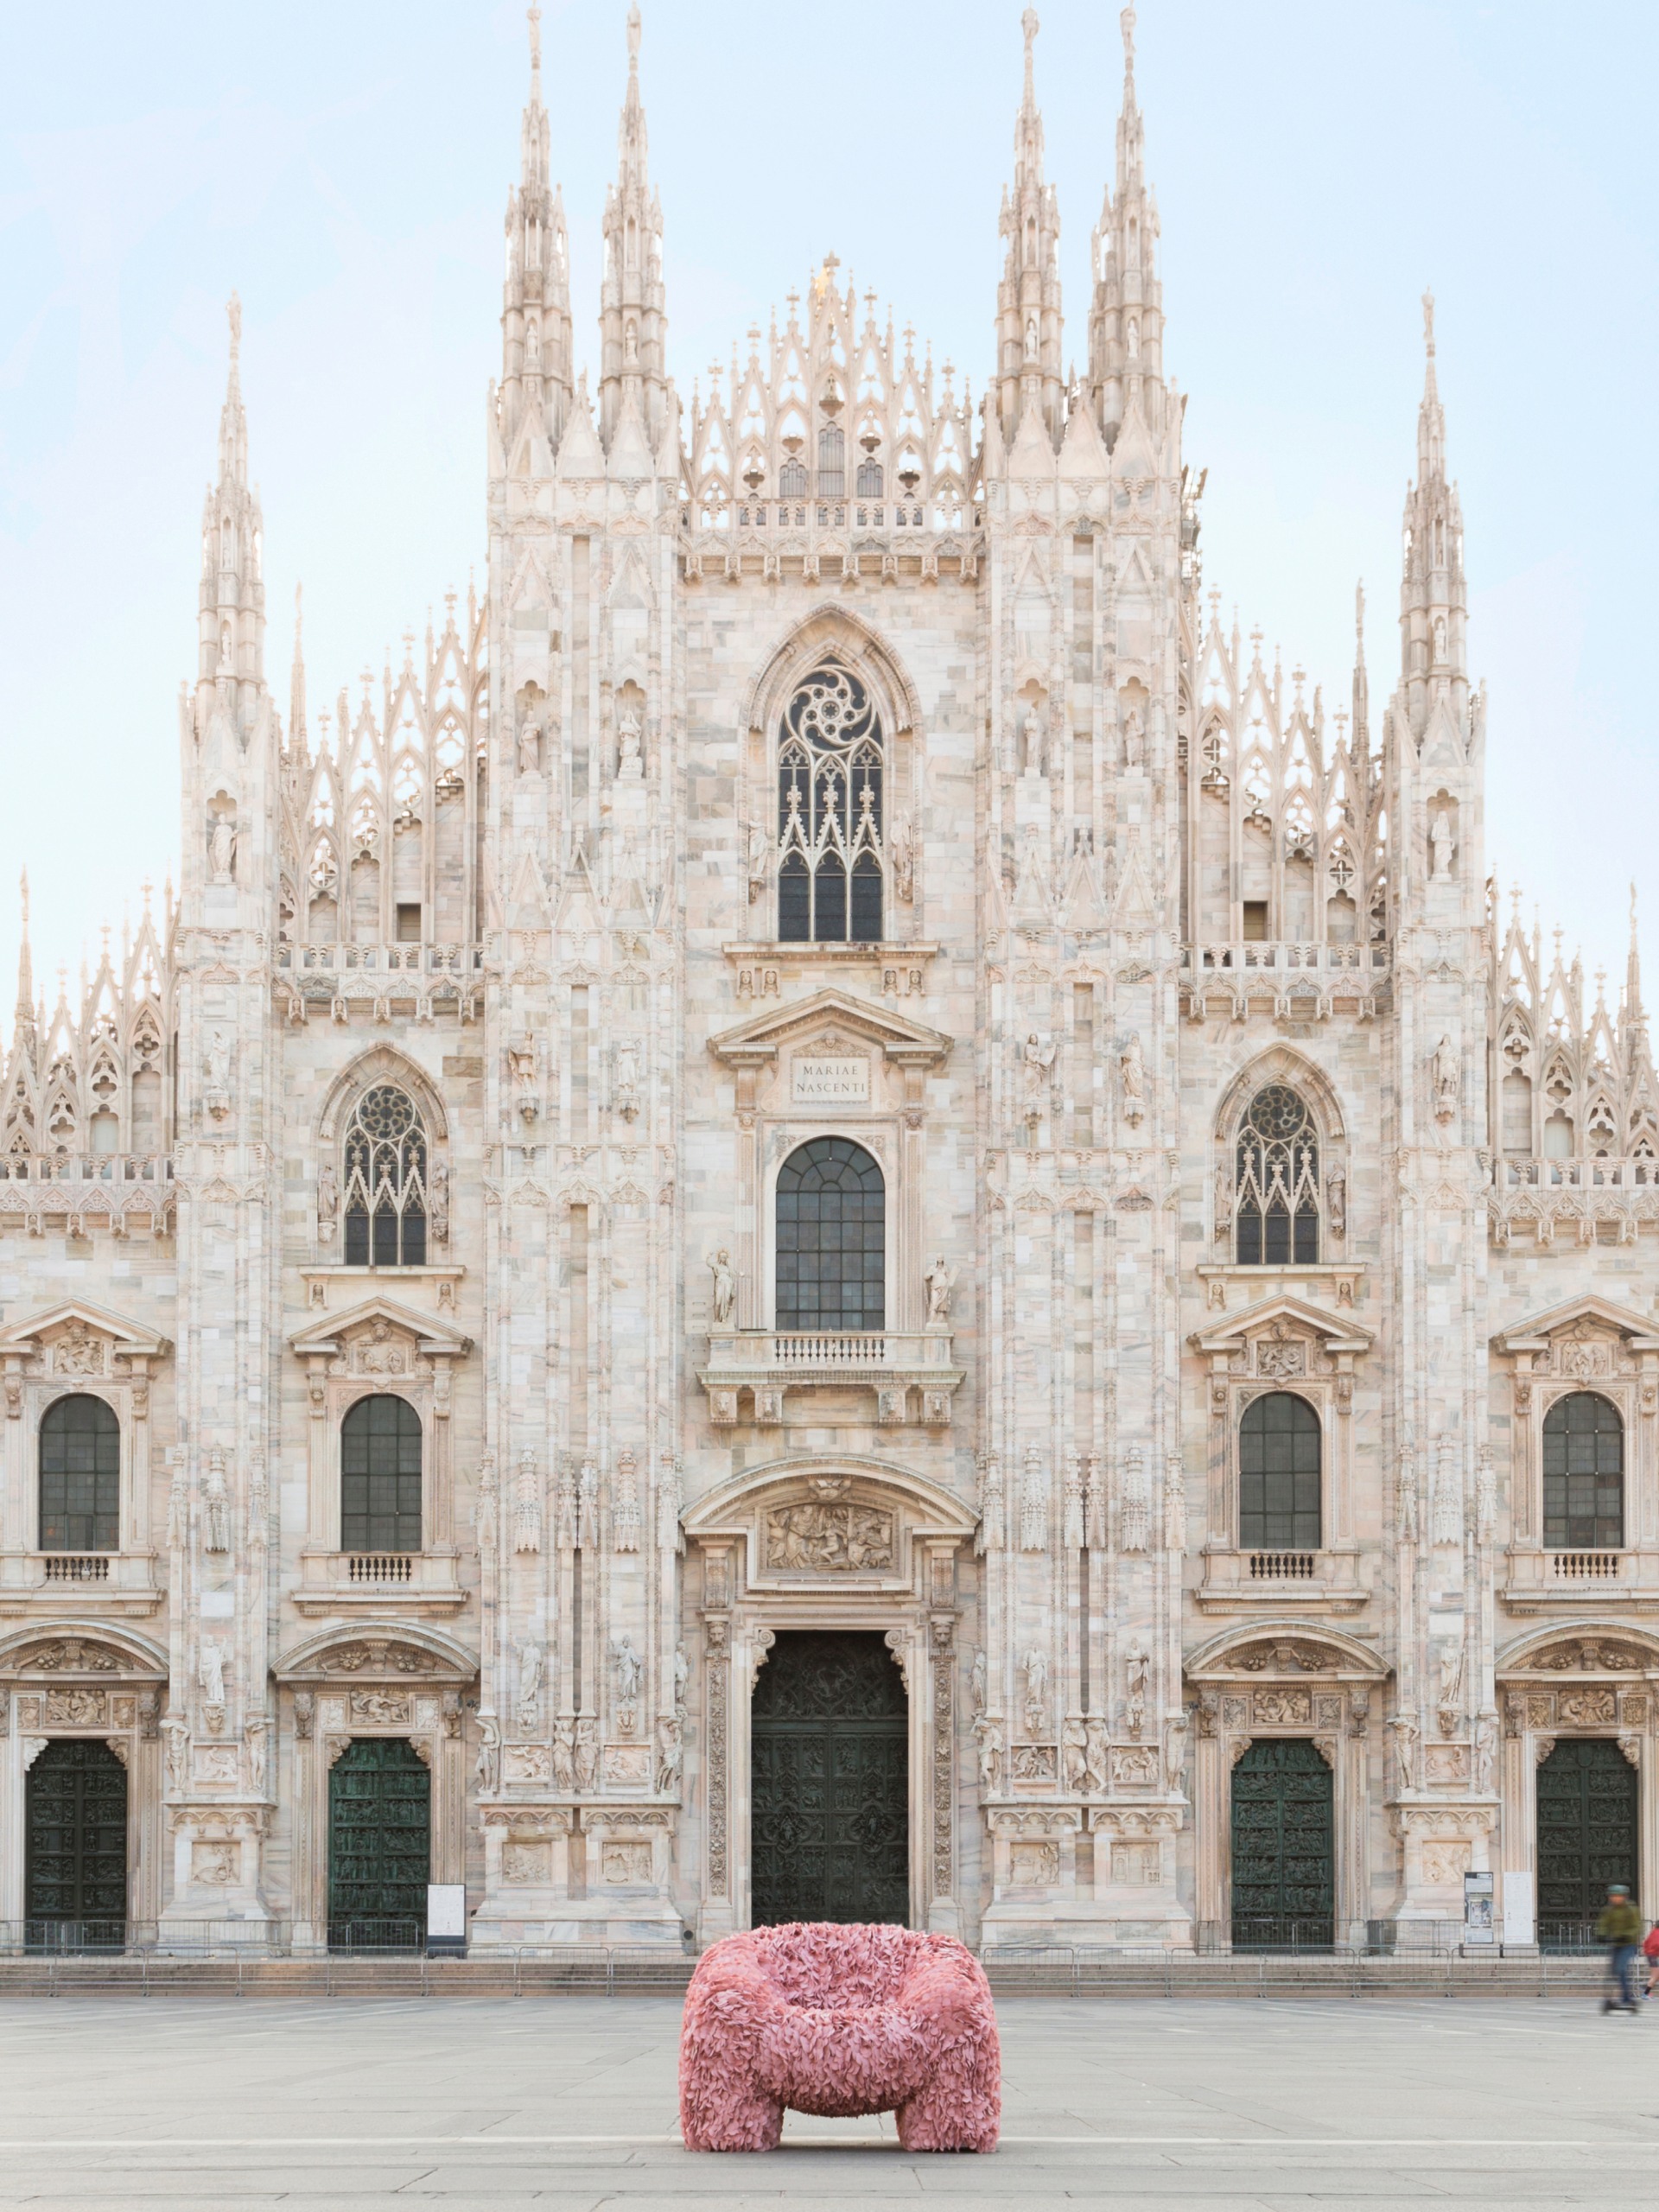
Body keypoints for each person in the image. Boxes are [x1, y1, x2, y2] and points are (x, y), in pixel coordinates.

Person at [1595, 1883, 1642, 2012]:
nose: (1614, 1899)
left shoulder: (1631, 1909)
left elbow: (1636, 1926)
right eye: (1612, 1896)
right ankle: (1610, 1997)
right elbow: (1604, 1923)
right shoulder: (1609, 1910)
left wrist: (1626, 1936)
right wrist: (1601, 1934)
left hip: (1628, 1944)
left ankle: (1627, 1998)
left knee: (1621, 1969)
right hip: (1616, 1943)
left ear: (1624, 1897)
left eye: (1617, 1896)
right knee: (1612, 1971)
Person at [1641, 1916, 1659, 2002]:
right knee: (1655, 1976)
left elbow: (1645, 1942)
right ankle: (1645, 1994)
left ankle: (1647, 1992)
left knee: (1656, 1976)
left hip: (1651, 1955)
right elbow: (1657, 1945)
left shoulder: (1653, 1932)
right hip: (1652, 1955)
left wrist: (1645, 1950)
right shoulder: (1657, 1933)